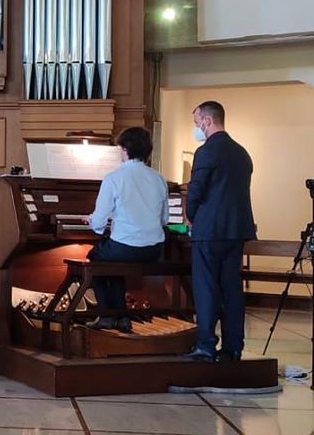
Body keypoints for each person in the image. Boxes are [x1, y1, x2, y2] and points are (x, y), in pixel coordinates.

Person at [184, 100, 255, 362]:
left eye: (196, 122)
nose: (196, 127)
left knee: (205, 288)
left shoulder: (206, 151)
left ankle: (205, 345)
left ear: (207, 121)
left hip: (209, 230)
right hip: (236, 230)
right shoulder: (241, 152)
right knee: (231, 288)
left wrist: (190, 216)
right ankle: (233, 346)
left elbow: (196, 189)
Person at [86, 126, 169, 332]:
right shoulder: (159, 179)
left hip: (125, 247)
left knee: (96, 257)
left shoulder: (114, 178)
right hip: (153, 250)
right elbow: (164, 219)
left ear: (123, 149)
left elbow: (98, 221)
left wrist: (91, 221)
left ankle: (107, 315)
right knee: (112, 260)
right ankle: (121, 317)